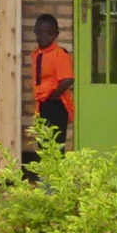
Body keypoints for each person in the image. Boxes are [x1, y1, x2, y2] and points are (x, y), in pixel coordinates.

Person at [30, 13, 76, 149]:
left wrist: (52, 96)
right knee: (43, 144)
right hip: (42, 103)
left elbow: (68, 79)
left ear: (56, 34)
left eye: (49, 33)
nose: (44, 37)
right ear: (35, 32)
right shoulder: (37, 54)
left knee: (55, 145)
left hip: (56, 104)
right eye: (41, 32)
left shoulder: (59, 53)